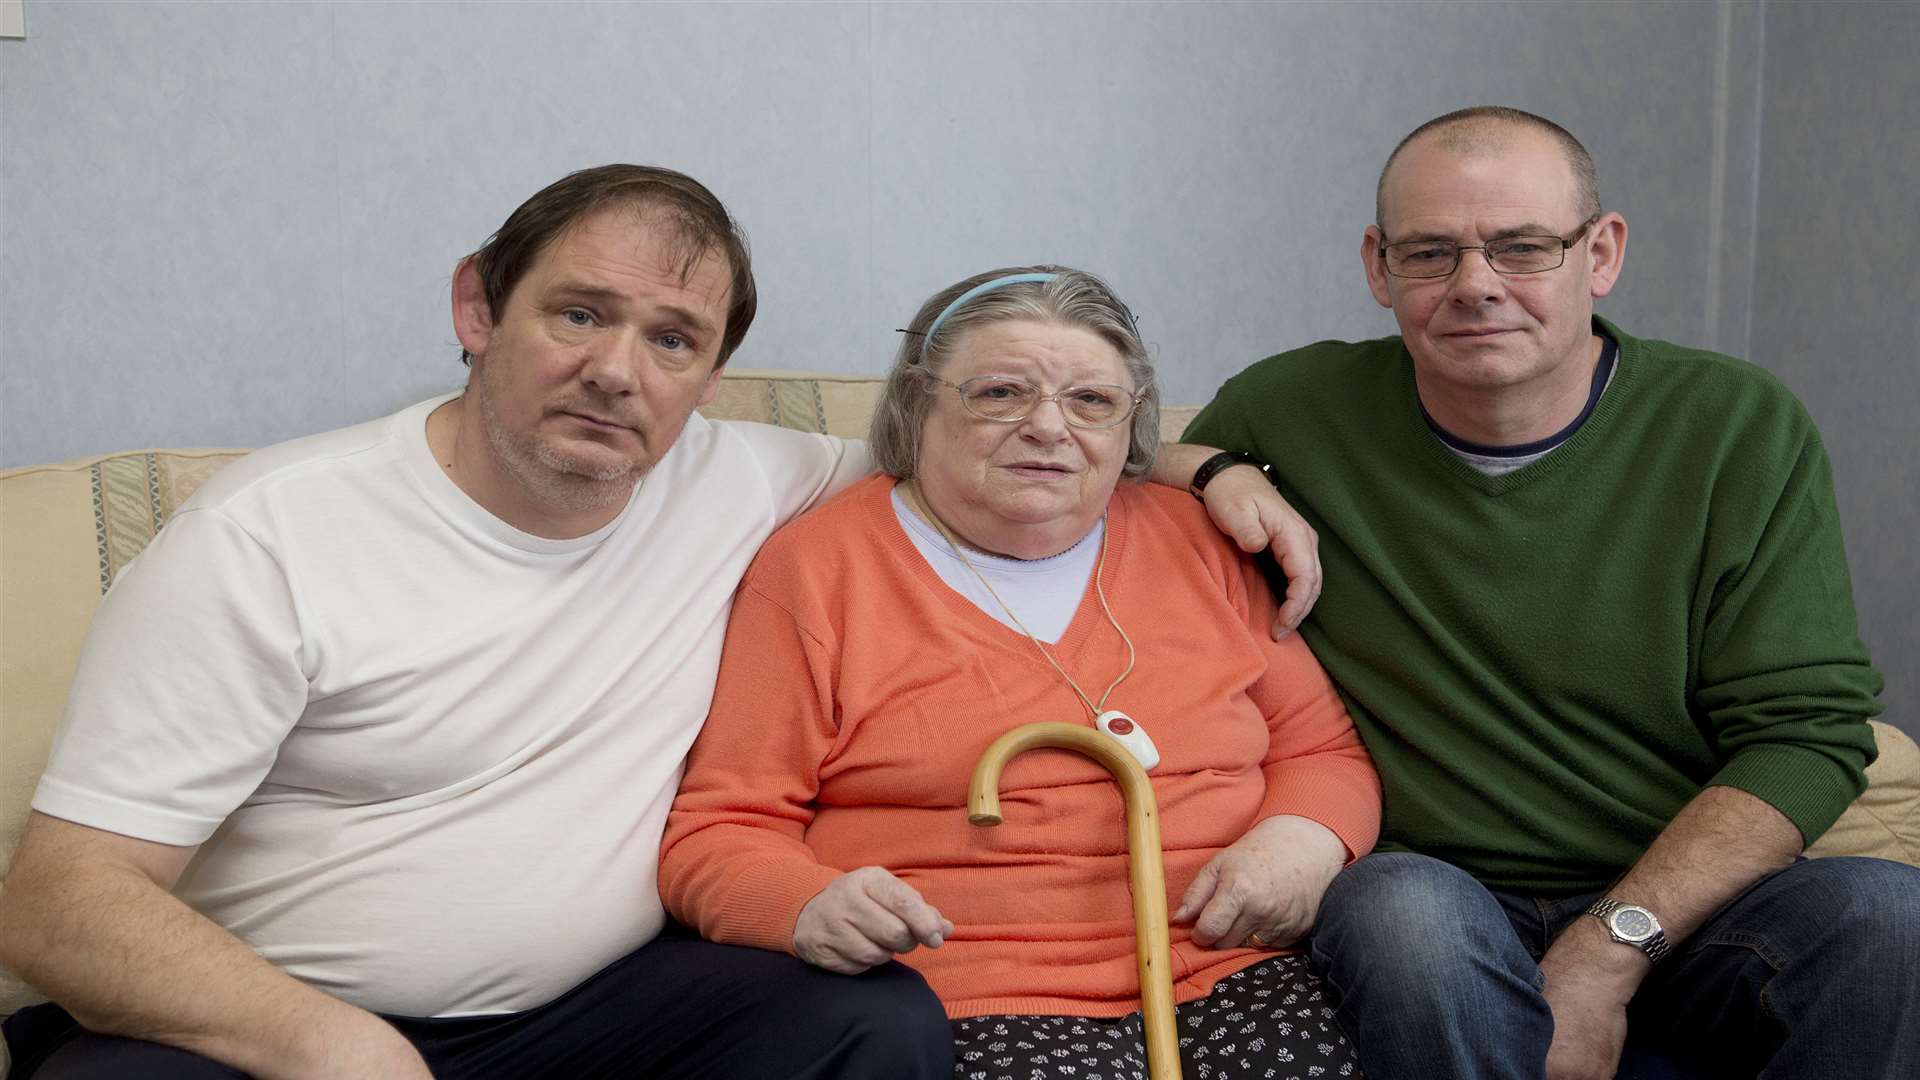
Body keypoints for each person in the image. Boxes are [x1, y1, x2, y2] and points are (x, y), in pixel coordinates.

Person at [0, 169, 1321, 1080]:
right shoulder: (269, 537)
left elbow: (1032, 432)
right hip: (286, 1018)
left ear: (713, 371)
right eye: (579, 313)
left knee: (876, 1029)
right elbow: (60, 909)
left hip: (597, 1009)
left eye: (674, 339)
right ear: (478, 308)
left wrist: (1210, 470)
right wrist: (316, 1041)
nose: (620, 371)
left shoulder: (757, 480)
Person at [1176, 106, 1920, 1079]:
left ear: (1601, 252)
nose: (1476, 286)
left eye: (1523, 247)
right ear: (1378, 265)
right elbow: (1090, 458)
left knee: (1889, 917)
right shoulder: (1290, 409)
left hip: (1681, 896)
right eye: (1431, 252)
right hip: (1431, 887)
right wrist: (1204, 467)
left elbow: (1808, 735)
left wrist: (1606, 957)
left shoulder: (1735, 425)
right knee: (1403, 915)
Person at [657, 266, 1383, 1080]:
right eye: (1000, 393)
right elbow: (720, 829)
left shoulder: (1200, 540)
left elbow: (1322, 753)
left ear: (1131, 423)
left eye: (1092, 402)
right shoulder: (817, 570)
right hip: (980, 996)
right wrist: (803, 905)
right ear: (919, 403)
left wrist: (1301, 842)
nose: (1048, 428)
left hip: (1238, 972)